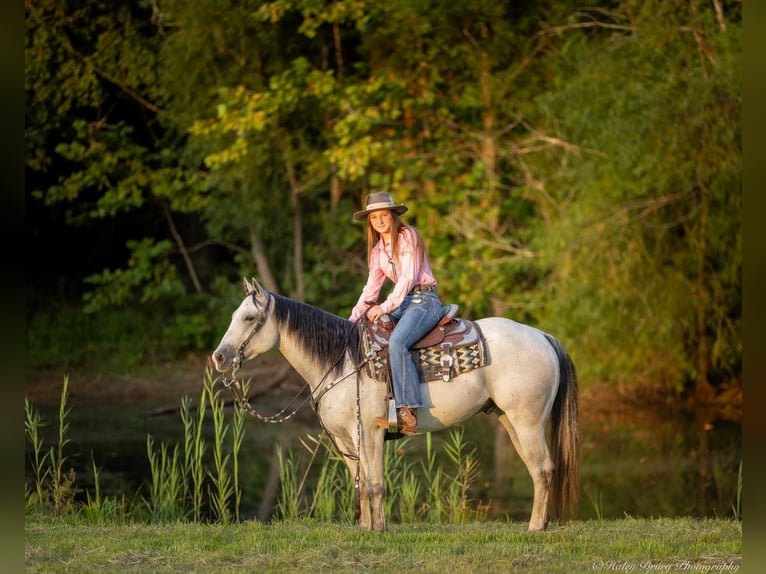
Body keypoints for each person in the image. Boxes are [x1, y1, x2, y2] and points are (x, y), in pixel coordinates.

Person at [348, 192, 443, 434]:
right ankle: (385, 404)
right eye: (374, 217)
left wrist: (384, 307)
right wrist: (351, 320)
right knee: (373, 337)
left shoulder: (407, 236)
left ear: (392, 216)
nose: (379, 220)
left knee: (398, 342)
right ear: (369, 222)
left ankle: (409, 411)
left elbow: (408, 278)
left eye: (383, 215)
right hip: (403, 304)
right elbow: (370, 290)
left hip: (424, 300)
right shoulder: (378, 251)